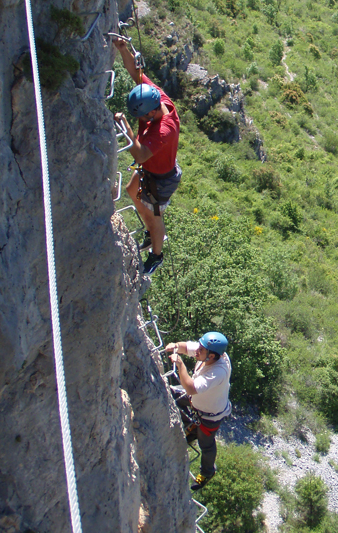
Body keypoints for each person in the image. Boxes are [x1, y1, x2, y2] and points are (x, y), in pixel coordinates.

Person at [112, 37, 181, 275]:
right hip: (151, 171)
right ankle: (152, 230)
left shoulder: (165, 128)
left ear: (151, 112)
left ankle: (157, 255)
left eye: (144, 117)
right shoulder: (155, 96)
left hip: (160, 178)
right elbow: (137, 74)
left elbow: (140, 155)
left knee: (154, 215)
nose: (143, 120)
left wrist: (127, 130)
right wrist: (123, 50)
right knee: (133, 192)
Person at [165, 332, 232, 490]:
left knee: (206, 444)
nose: (197, 350)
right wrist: (175, 346)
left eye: (201, 350)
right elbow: (186, 346)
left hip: (210, 415)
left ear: (212, 356)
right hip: (196, 402)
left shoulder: (218, 372)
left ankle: (208, 471)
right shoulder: (209, 352)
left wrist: (180, 365)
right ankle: (192, 428)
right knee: (170, 392)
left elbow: (191, 387)